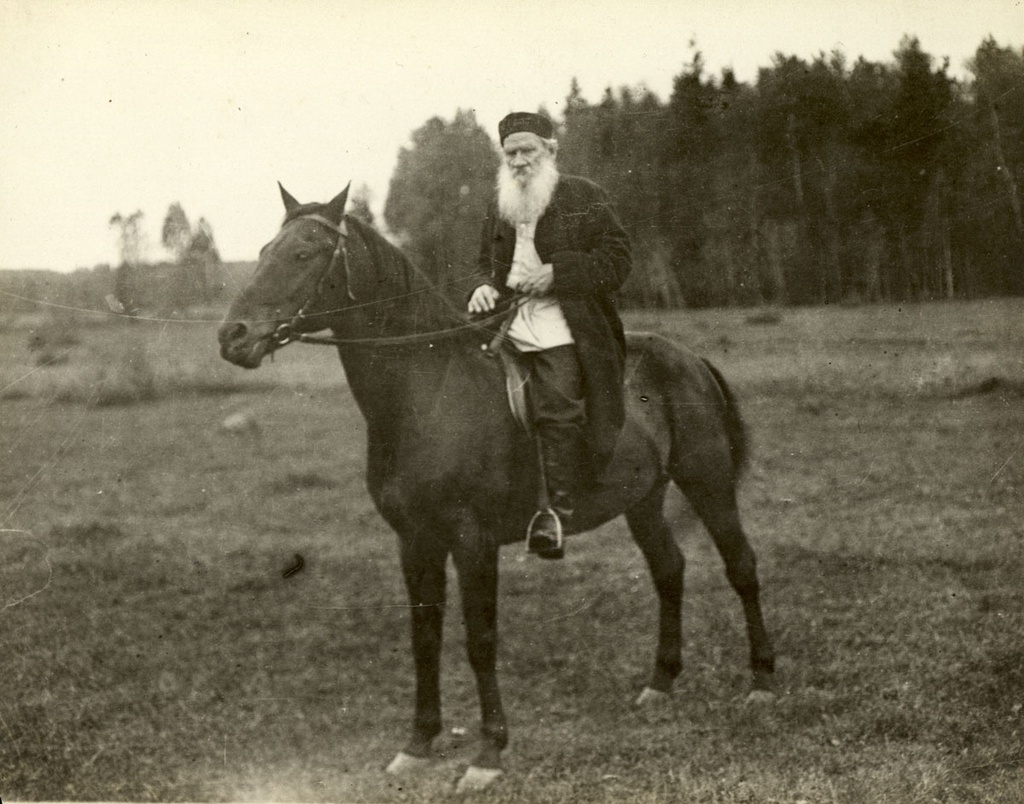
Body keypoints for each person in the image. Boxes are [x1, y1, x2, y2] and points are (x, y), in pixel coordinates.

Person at [468, 111, 632, 559]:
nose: (519, 161)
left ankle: (554, 513)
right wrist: (481, 285)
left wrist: (559, 273)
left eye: (528, 151)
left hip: (565, 319)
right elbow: (483, 261)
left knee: (558, 408)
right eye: (511, 153)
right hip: (503, 321)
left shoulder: (584, 195)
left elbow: (618, 260)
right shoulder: (498, 201)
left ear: (550, 151)